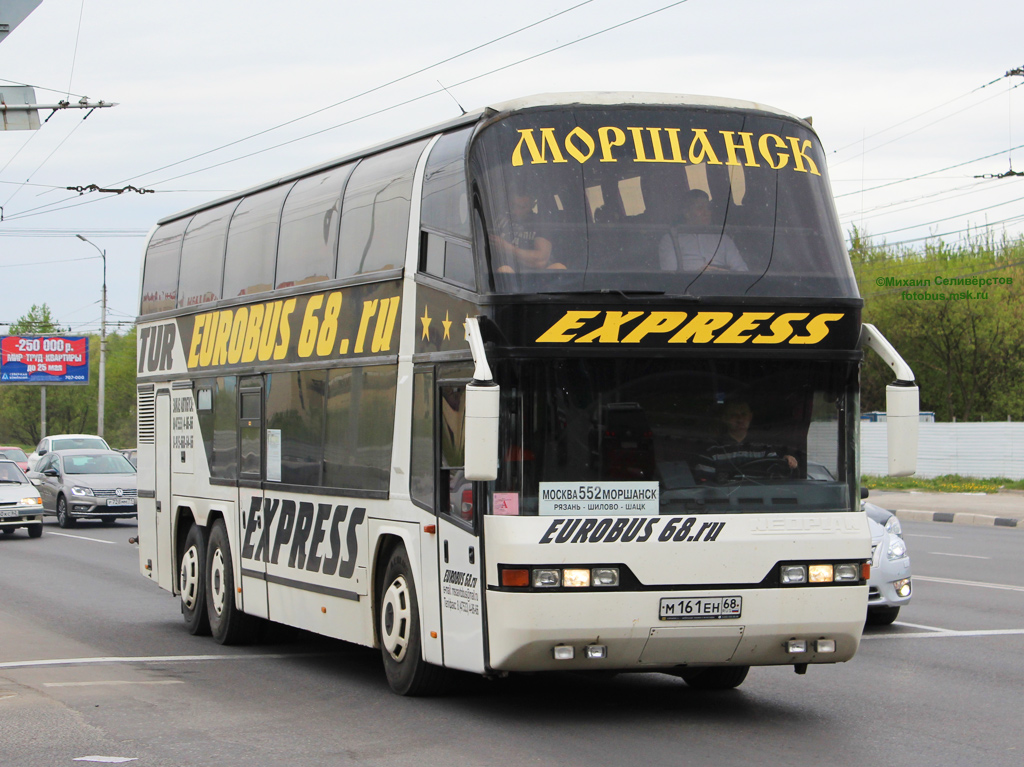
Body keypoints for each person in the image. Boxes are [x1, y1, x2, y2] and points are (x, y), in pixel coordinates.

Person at [693, 399, 798, 482]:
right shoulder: (711, 452)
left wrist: (787, 461)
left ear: (750, 417)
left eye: (743, 414)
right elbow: (705, 488)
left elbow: (779, 478)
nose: (740, 419)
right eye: (734, 415)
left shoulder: (764, 449)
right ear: (724, 418)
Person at [659, 189, 747, 273]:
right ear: (687, 213)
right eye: (700, 208)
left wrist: (723, 274)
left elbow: (742, 270)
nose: (706, 213)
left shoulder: (723, 239)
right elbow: (670, 275)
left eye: (708, 208)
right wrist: (698, 275)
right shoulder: (671, 239)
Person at [490, 192, 565, 273]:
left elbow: (540, 260)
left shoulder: (539, 223)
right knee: (504, 270)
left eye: (521, 207)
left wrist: (508, 249)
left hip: (540, 277)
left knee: (559, 267)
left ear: (531, 206)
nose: (515, 211)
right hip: (508, 280)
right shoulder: (499, 220)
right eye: (512, 206)